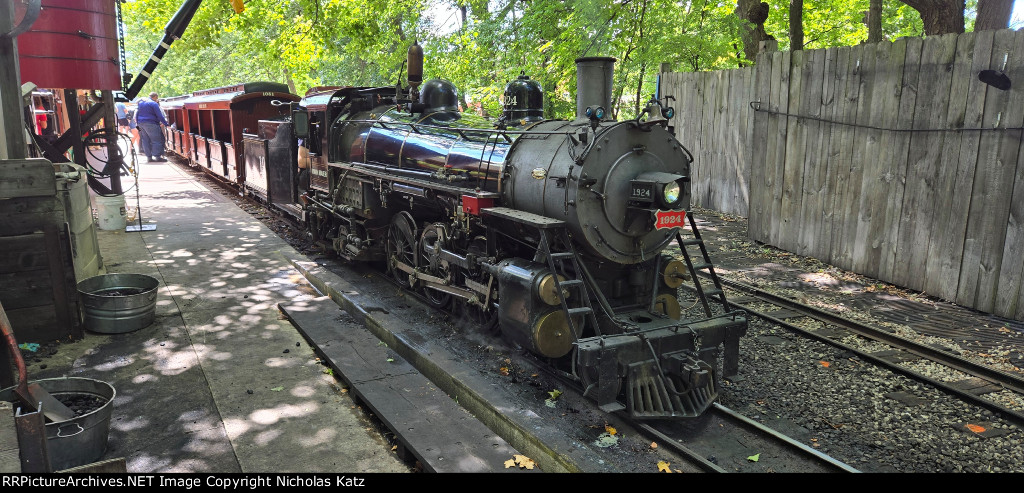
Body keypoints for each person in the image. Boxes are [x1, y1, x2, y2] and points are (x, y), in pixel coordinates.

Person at [135, 92, 168, 162]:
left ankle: (149, 157)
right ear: (155, 97)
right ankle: (157, 157)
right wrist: (166, 124)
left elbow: (137, 113)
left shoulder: (141, 102)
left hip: (140, 124)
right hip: (151, 123)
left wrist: (138, 124)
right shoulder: (154, 104)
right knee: (156, 140)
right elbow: (159, 115)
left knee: (145, 140)